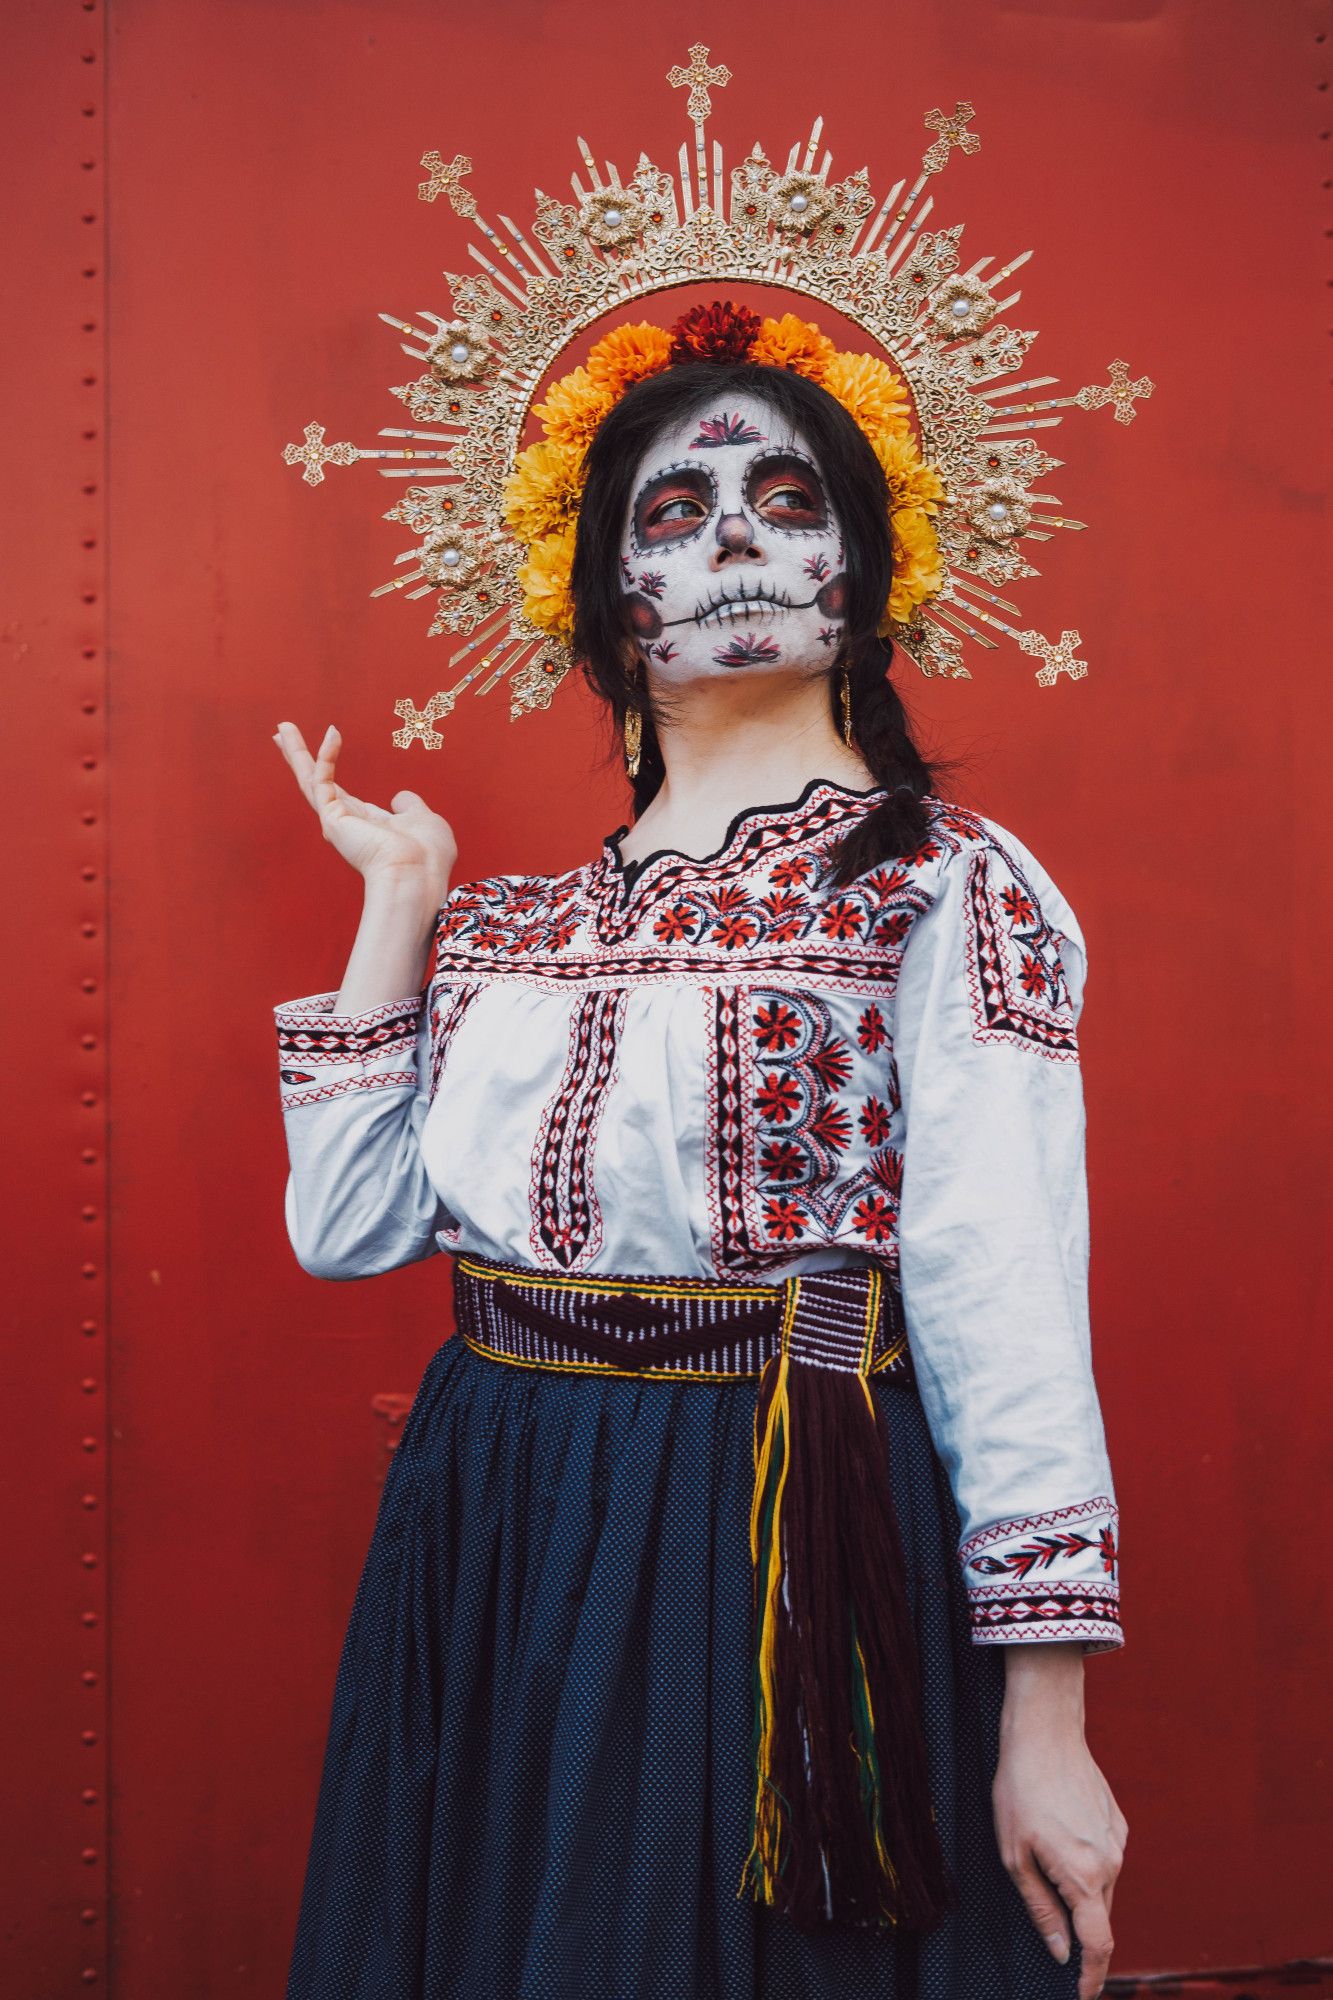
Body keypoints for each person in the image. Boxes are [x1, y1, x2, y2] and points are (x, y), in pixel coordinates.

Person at [272, 353, 1127, 2000]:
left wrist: (1047, 1719)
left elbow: (1002, 1290)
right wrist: (400, 897)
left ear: (865, 571)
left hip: (769, 1520)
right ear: (603, 596)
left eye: (789, 503)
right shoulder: (521, 926)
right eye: (675, 512)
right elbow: (348, 1225)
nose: (735, 539)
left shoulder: (939, 888)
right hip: (499, 1514)